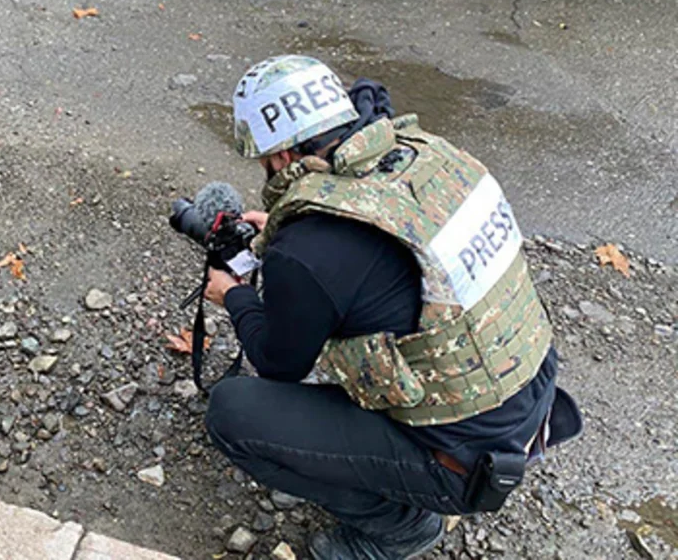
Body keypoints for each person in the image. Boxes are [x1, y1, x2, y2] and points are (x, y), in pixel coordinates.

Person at [200, 55, 579, 560]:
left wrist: (234, 294)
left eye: (266, 159)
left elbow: (278, 362)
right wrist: (296, 224)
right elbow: (382, 245)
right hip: (528, 393)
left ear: (284, 155)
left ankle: (401, 527)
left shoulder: (306, 253)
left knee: (232, 413)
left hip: (463, 463)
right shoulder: (429, 157)